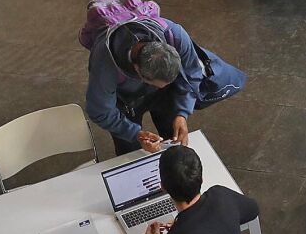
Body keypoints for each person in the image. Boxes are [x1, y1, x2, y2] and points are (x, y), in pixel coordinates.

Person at [83, 8, 245, 154]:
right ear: (139, 73)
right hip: (126, 101)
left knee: (173, 135)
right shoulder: (105, 63)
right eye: (158, 84)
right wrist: (135, 134)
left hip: (162, 94)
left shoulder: (175, 34)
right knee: (129, 151)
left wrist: (182, 113)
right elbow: (100, 111)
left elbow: (192, 74)